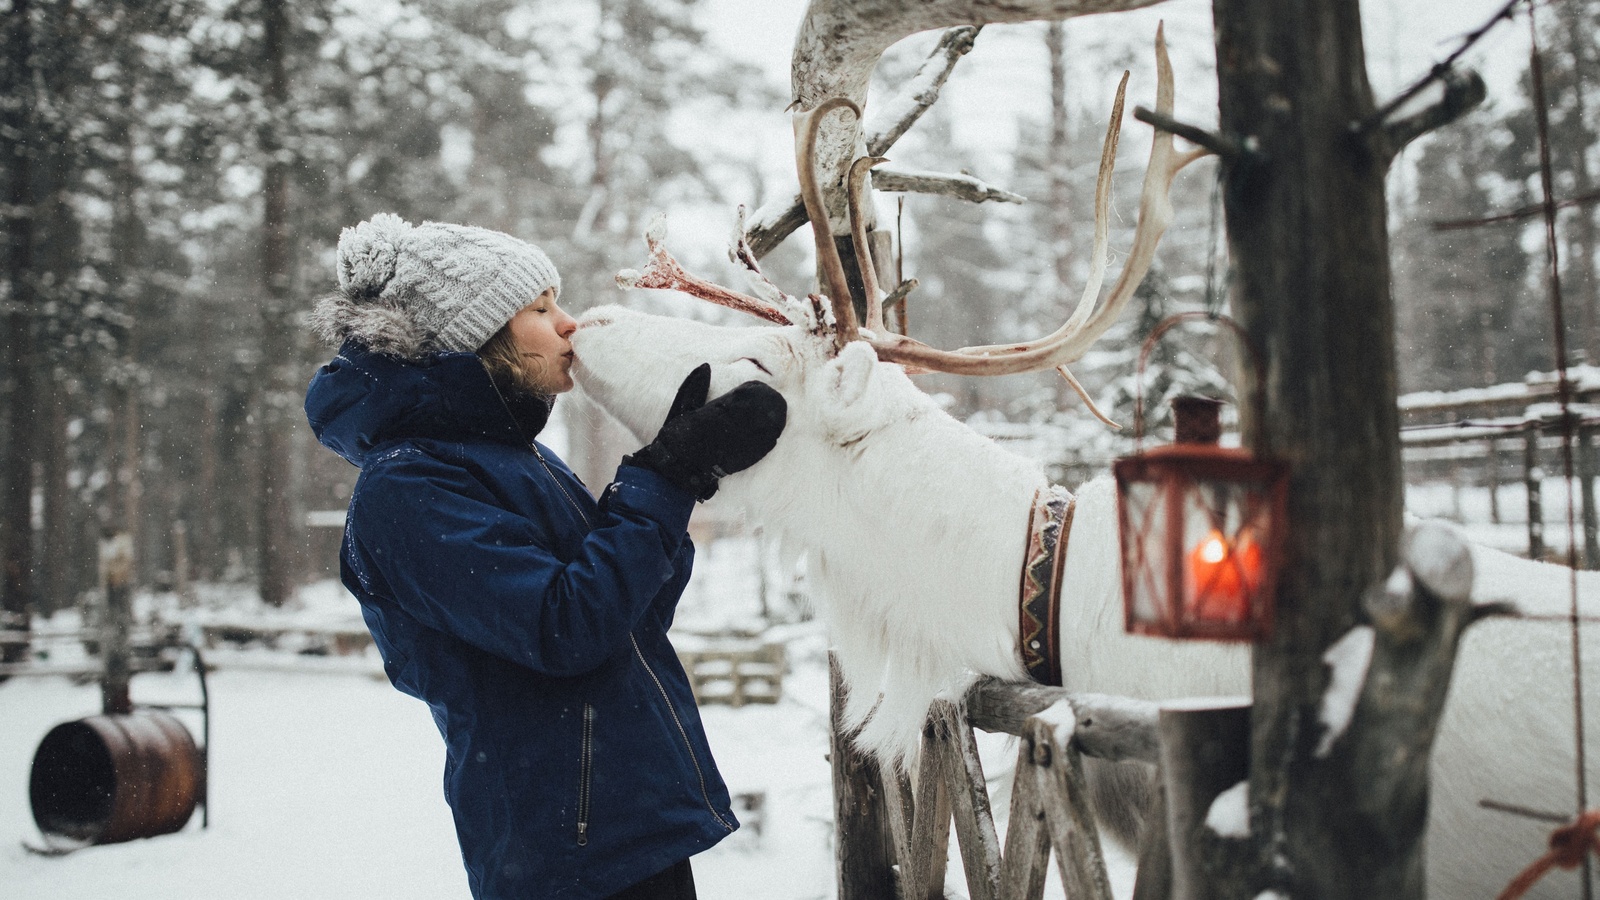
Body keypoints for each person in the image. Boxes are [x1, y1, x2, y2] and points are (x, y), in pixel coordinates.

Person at [303, 213, 787, 900]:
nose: (569, 324)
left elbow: (632, 616)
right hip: (563, 853)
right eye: (540, 308)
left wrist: (680, 467)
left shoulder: (516, 461)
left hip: (622, 825)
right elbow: (565, 626)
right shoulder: (408, 489)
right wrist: (665, 474)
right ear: (475, 337)